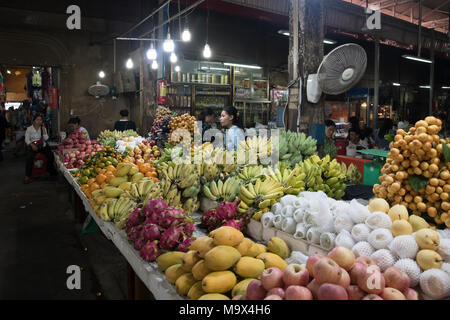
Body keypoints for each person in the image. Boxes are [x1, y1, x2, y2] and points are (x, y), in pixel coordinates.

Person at [24, 114, 56, 183]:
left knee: (50, 155)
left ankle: (47, 172)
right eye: (37, 120)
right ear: (34, 121)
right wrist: (32, 145)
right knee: (29, 157)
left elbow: (46, 138)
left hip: (42, 146)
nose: (39, 121)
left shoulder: (43, 128)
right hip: (33, 145)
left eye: (40, 120)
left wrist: (44, 130)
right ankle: (27, 176)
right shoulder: (29, 129)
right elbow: (27, 140)